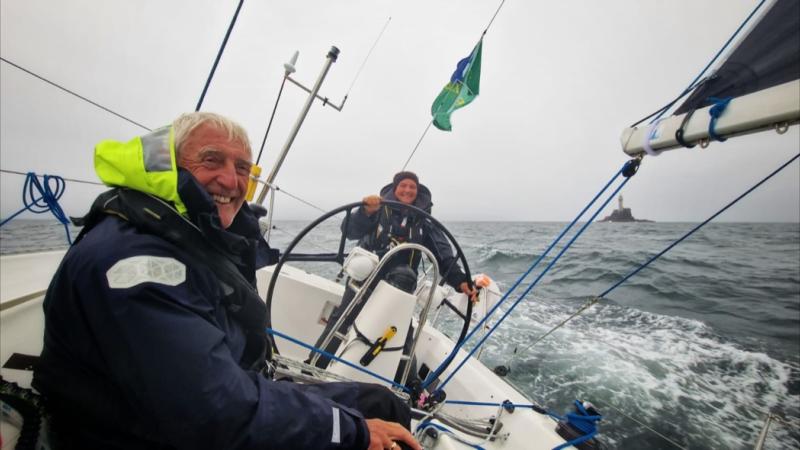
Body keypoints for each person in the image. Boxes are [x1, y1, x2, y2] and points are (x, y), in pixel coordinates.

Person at [32, 112, 420, 450]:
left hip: (219, 398)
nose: (230, 180)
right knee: (364, 428)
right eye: (211, 160)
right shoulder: (134, 263)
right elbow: (211, 412)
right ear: (170, 166)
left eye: (242, 169)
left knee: (385, 405)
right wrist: (352, 432)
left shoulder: (183, 234)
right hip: (142, 435)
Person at [312, 171, 477, 370]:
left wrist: (461, 281)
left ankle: (406, 386)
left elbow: (444, 256)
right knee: (342, 318)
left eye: (412, 187)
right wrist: (365, 212)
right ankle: (314, 364)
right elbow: (350, 231)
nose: (407, 190)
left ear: (417, 192)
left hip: (403, 285)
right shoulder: (378, 209)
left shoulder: (424, 222)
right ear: (394, 188)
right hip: (366, 277)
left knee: (402, 332)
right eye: (403, 186)